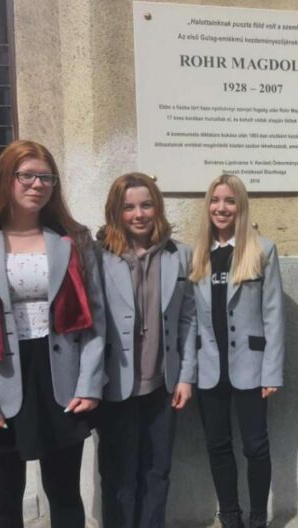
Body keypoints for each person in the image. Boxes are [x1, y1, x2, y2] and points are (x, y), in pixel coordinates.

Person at [0, 140, 105, 528]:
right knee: (3, 501)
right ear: (5, 179)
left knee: (65, 495)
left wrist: (89, 384)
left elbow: (96, 321)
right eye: (27, 175)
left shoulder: (73, 239)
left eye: (46, 177)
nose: (37, 184)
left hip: (61, 381)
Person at [95, 172, 197, 528]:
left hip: (162, 385)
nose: (138, 214)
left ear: (157, 207)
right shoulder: (99, 256)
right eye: (129, 207)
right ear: (116, 211)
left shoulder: (179, 255)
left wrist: (186, 377)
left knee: (158, 471)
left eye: (146, 205)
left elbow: (188, 319)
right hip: (114, 386)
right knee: (118, 476)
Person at [190, 174, 285, 528]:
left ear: (241, 206)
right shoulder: (196, 254)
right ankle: (230, 515)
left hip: (251, 367)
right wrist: (187, 373)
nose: (221, 208)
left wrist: (272, 371)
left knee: (256, 446)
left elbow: (274, 315)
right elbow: (189, 319)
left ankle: (258, 516)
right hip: (209, 368)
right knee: (217, 445)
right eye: (215, 200)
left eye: (229, 201)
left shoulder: (262, 251)